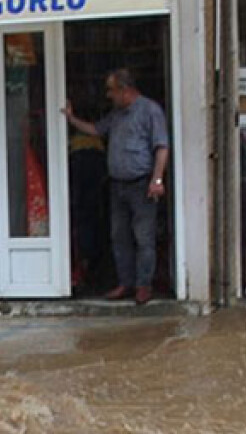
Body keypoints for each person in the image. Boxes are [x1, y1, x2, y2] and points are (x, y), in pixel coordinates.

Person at [61, 68, 170, 304]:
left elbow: (162, 146)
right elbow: (96, 130)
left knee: (143, 237)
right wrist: (71, 119)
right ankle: (126, 283)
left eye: (111, 90)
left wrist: (157, 179)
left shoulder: (150, 111)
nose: (108, 95)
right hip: (118, 185)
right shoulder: (117, 114)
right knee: (119, 236)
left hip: (142, 184)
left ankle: (143, 285)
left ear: (125, 89)